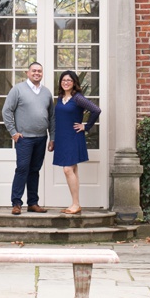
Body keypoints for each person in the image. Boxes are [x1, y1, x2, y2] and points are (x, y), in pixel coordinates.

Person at [2, 62, 55, 215]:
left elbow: (52, 117)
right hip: (24, 139)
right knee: (22, 169)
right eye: (34, 71)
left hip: (41, 138)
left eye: (39, 71)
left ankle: (33, 203)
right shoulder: (17, 90)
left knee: (35, 170)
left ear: (42, 73)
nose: (37, 73)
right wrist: (13, 132)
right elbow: (6, 111)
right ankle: (16, 203)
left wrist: (52, 137)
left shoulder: (46, 93)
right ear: (27, 72)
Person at [52, 70, 101, 215]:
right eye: (63, 80)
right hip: (62, 138)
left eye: (69, 80)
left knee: (67, 169)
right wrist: (53, 139)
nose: (66, 82)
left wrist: (86, 126)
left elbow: (96, 110)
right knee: (72, 170)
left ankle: (76, 204)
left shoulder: (78, 98)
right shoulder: (60, 98)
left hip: (73, 137)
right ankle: (75, 203)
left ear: (74, 83)